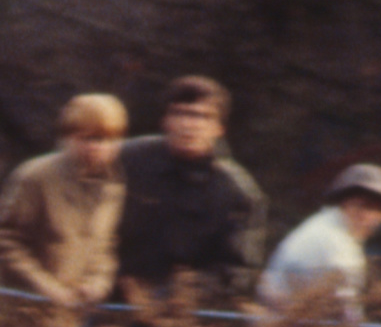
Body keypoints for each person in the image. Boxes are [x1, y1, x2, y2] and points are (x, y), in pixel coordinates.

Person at [114, 76, 267, 310]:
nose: (188, 124)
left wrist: (168, 297)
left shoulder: (239, 193)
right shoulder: (128, 160)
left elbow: (237, 273)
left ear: (219, 128)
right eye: (179, 113)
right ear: (165, 121)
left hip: (185, 317)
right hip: (110, 300)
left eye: (201, 116)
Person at [0, 93, 128, 309]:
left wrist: (98, 283)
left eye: (108, 139)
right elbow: (4, 239)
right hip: (21, 306)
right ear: (67, 137)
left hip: (72, 312)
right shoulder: (35, 176)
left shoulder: (113, 187)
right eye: (87, 138)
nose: (97, 147)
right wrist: (45, 286)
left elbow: (105, 246)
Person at [258, 164, 381, 323]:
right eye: (364, 206)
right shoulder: (335, 244)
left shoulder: (322, 225)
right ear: (344, 203)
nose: (373, 217)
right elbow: (347, 321)